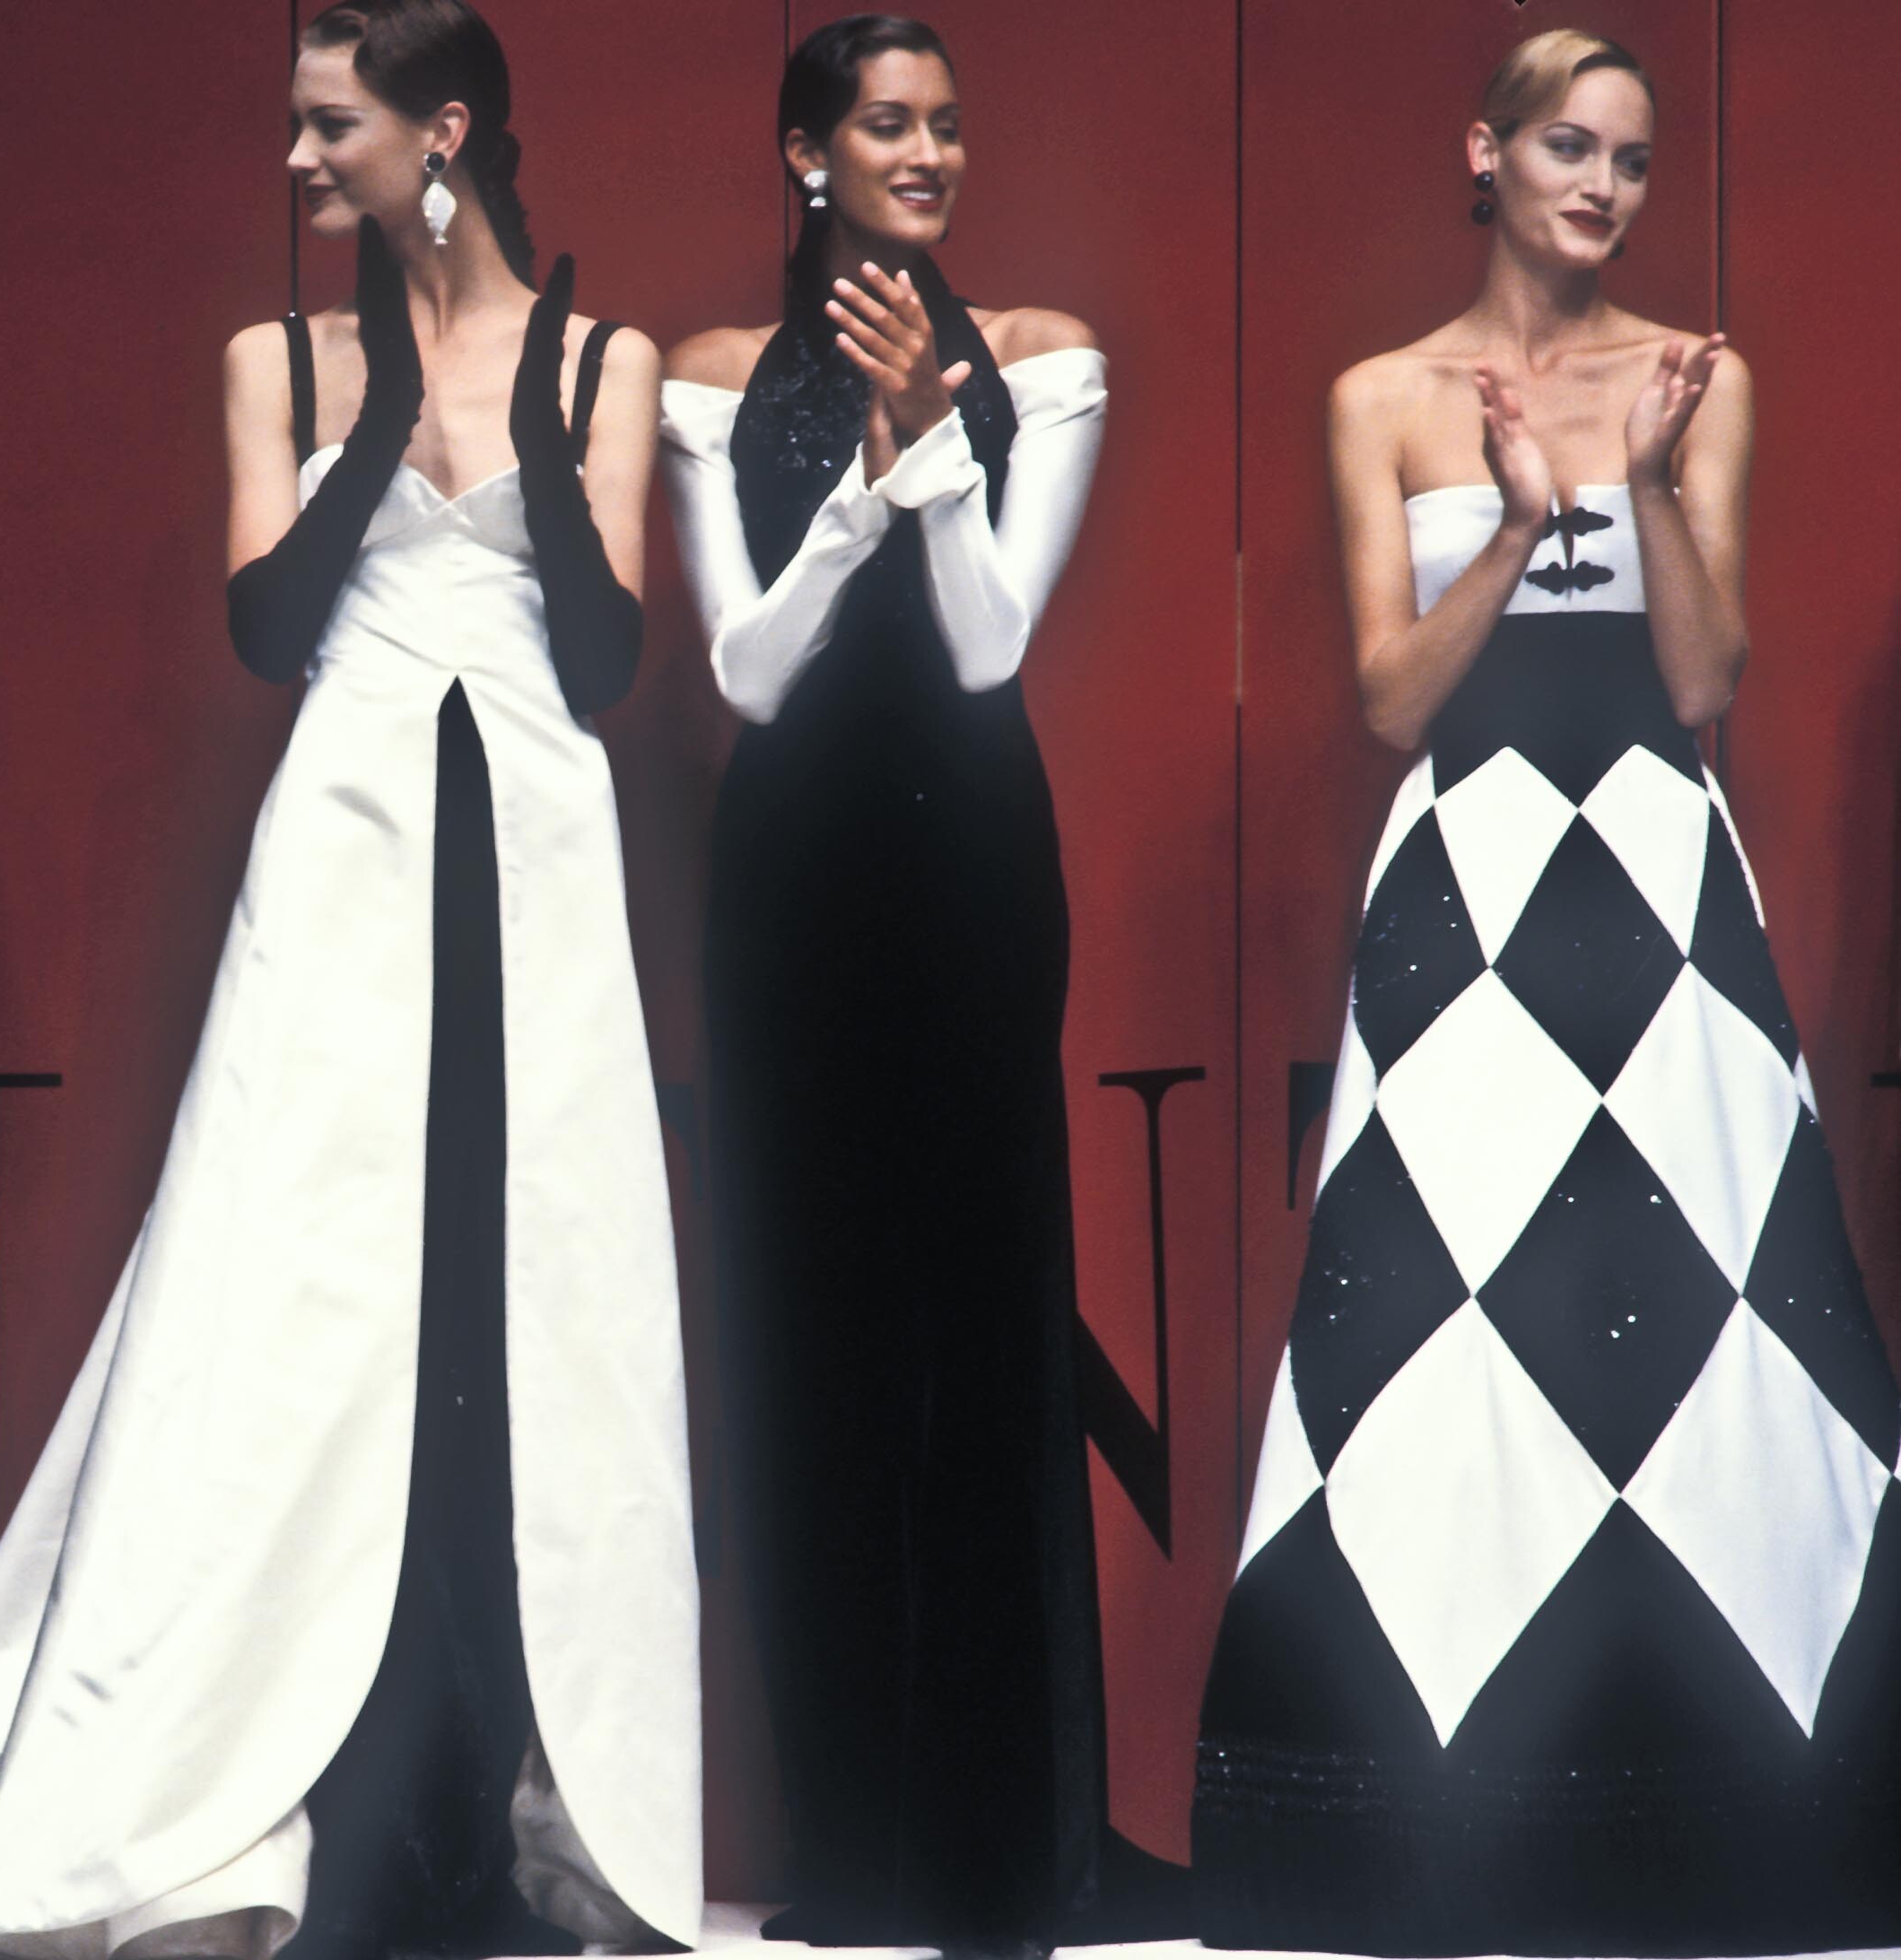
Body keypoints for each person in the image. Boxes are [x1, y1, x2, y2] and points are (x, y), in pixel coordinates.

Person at [0, 4, 698, 1956]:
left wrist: (534, 431)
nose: (295, 161)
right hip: (346, 848)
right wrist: (383, 411)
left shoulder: (602, 359)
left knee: (527, 1304)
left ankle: (532, 1806)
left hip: (537, 858)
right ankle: (233, 1808)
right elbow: (271, 626)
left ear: (437, 131)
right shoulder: (274, 357)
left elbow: (609, 657)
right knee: (291, 1299)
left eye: (327, 125)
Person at [1192, 31, 1901, 1955]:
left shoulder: (1696, 378)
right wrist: (1515, 521)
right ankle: (1425, 1821)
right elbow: (1386, 699)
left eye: (1632, 160)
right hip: (1466, 877)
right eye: (1570, 146)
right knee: (1438, 1321)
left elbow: (1702, 679)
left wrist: (1648, 482)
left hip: (1660, 880)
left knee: (1705, 1309)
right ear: (1486, 153)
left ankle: (1732, 1812)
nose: (1601, 185)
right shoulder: (1380, 396)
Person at [656, 16, 1108, 1956]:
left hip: (973, 861)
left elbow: (992, 646)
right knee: (806, 1327)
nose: (927, 154)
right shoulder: (699, 372)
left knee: (985, 1328)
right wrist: (861, 482)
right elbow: (746, 673)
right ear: (804, 152)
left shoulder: (1045, 353)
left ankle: (1001, 1857)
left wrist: (929, 446)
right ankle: (846, 1849)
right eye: (888, 124)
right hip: (792, 878)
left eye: (947, 125)